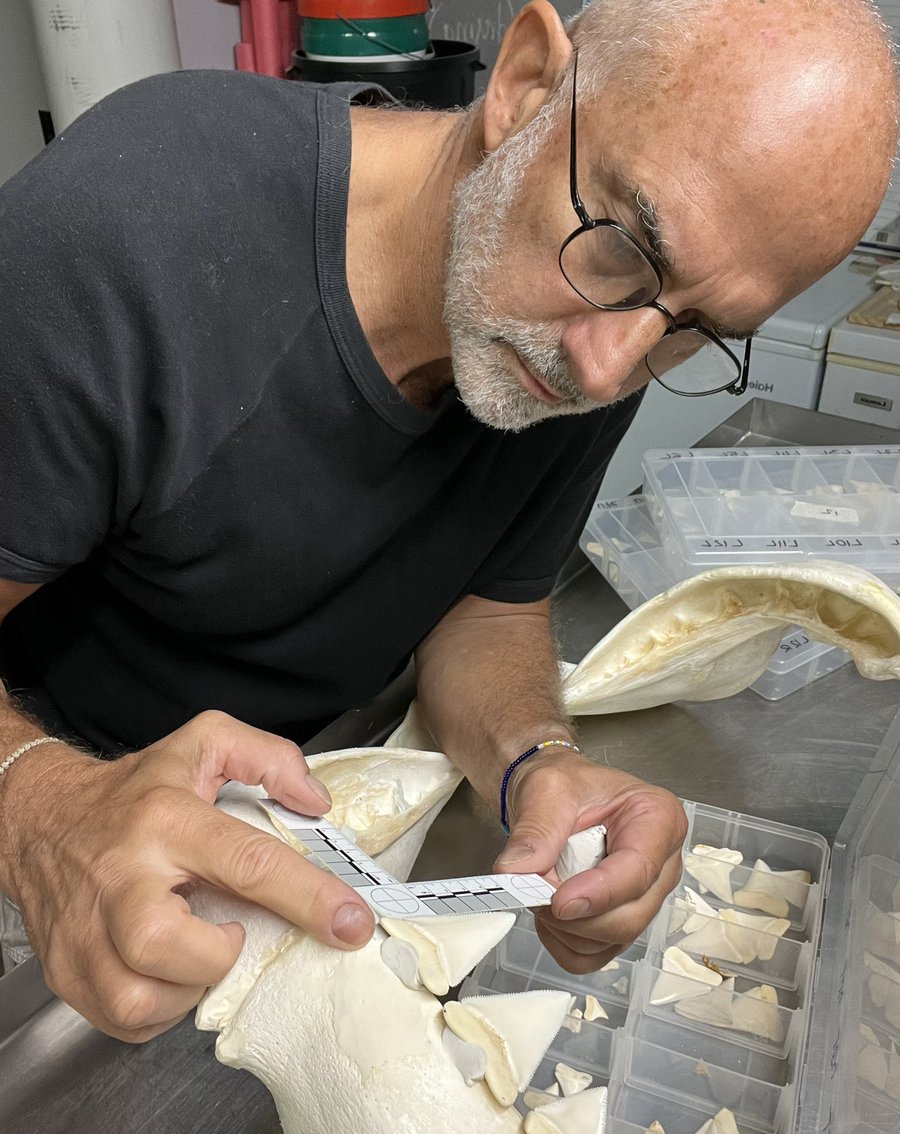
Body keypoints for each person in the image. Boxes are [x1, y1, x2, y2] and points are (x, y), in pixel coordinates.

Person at [0, 0, 895, 1042]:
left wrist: (536, 762)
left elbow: (489, 609)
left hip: (304, 822)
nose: (608, 366)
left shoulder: (603, 325)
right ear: (522, 84)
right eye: (622, 246)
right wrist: (46, 812)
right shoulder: (134, 228)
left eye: (696, 329)